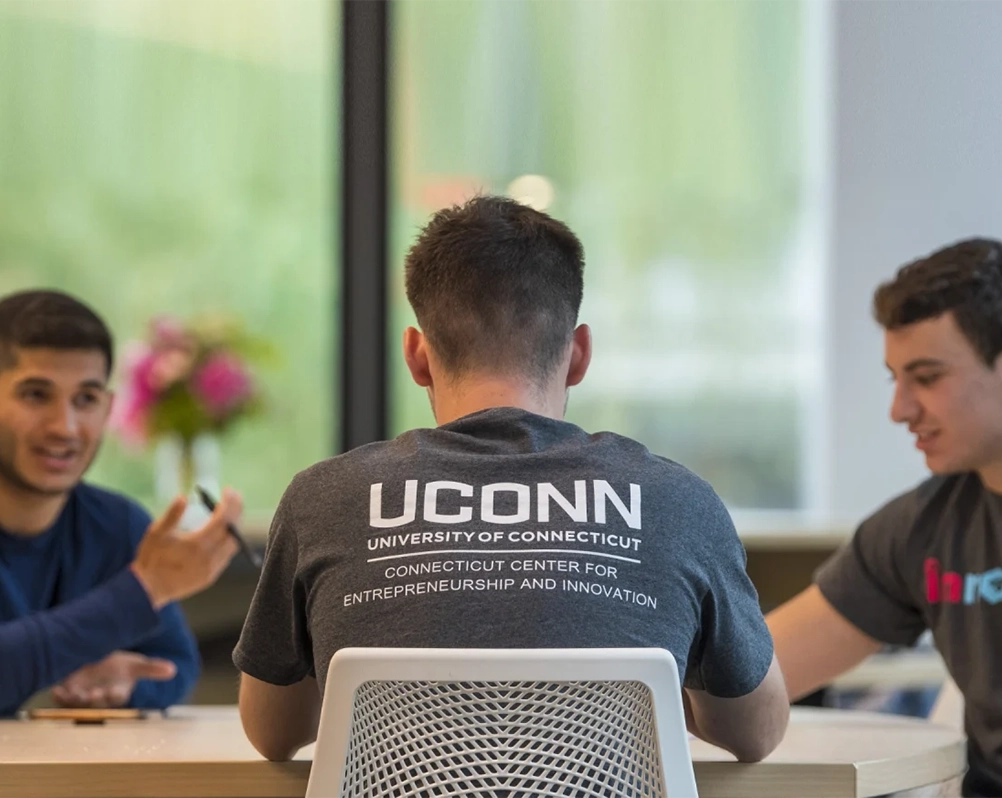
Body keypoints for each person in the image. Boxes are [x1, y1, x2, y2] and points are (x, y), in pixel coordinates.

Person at [233, 195, 789, 762]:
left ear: (417, 357)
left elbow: (273, 733)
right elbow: (756, 732)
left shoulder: (324, 501)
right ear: (579, 356)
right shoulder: (677, 504)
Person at [767, 237, 1002, 798]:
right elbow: (756, 672)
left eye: (926, 377)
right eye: (895, 379)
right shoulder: (922, 529)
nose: (900, 410)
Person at [0, 289, 241, 715]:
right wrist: (142, 590)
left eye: (87, 399)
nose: (65, 427)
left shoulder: (116, 523)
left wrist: (122, 683)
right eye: (36, 395)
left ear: (109, 407)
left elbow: (174, 666)